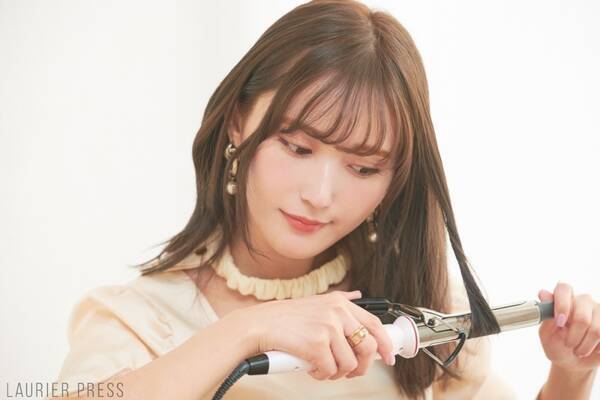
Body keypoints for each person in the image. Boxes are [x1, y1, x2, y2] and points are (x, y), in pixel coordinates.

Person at [53, 1, 599, 399]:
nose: (319, 195)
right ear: (238, 122)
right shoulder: (140, 321)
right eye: (297, 147)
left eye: (363, 167)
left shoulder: (424, 310)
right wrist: (247, 332)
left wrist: (571, 376)